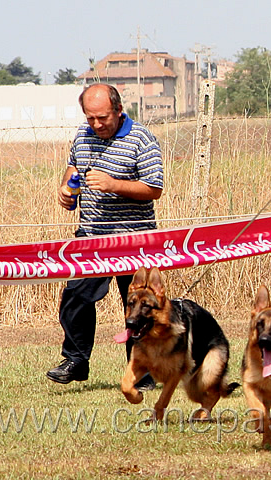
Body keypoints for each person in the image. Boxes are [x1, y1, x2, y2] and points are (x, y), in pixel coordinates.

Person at [47, 84, 164, 385]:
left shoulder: (141, 139)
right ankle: (75, 361)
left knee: (139, 305)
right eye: (90, 118)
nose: (97, 125)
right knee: (75, 298)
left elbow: (154, 189)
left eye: (103, 118)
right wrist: (66, 189)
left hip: (135, 239)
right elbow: (73, 168)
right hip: (91, 237)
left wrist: (114, 184)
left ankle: (143, 373)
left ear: (118, 110)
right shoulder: (83, 137)